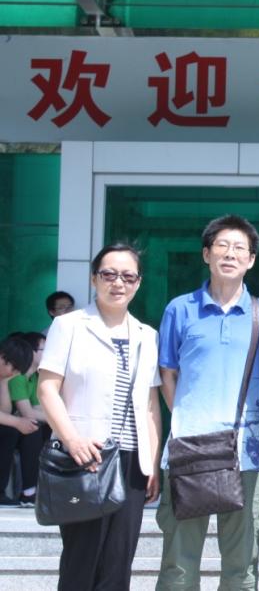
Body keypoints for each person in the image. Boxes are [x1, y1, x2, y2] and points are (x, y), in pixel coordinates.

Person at [37, 243, 162, 591]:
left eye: (128, 276)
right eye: (109, 274)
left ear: (138, 283)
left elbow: (150, 404)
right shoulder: (69, 326)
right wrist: (72, 440)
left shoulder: (146, 336)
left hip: (132, 461)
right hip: (85, 456)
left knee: (119, 563)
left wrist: (152, 463)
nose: (118, 283)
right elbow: (47, 389)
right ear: (94, 279)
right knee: (82, 560)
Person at [155, 215, 259, 591]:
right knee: (179, 563)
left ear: (251, 260)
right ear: (207, 254)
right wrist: (186, 420)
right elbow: (167, 373)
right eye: (222, 245)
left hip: (245, 453)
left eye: (239, 248)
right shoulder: (180, 309)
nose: (230, 254)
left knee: (241, 565)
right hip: (188, 448)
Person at [0, 332, 51, 507]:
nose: (15, 374)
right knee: (11, 430)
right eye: (14, 368)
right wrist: (17, 422)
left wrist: (4, 382)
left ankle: (30, 491)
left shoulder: (8, 377)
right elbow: (23, 413)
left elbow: (4, 411)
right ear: (3, 358)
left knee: (23, 431)